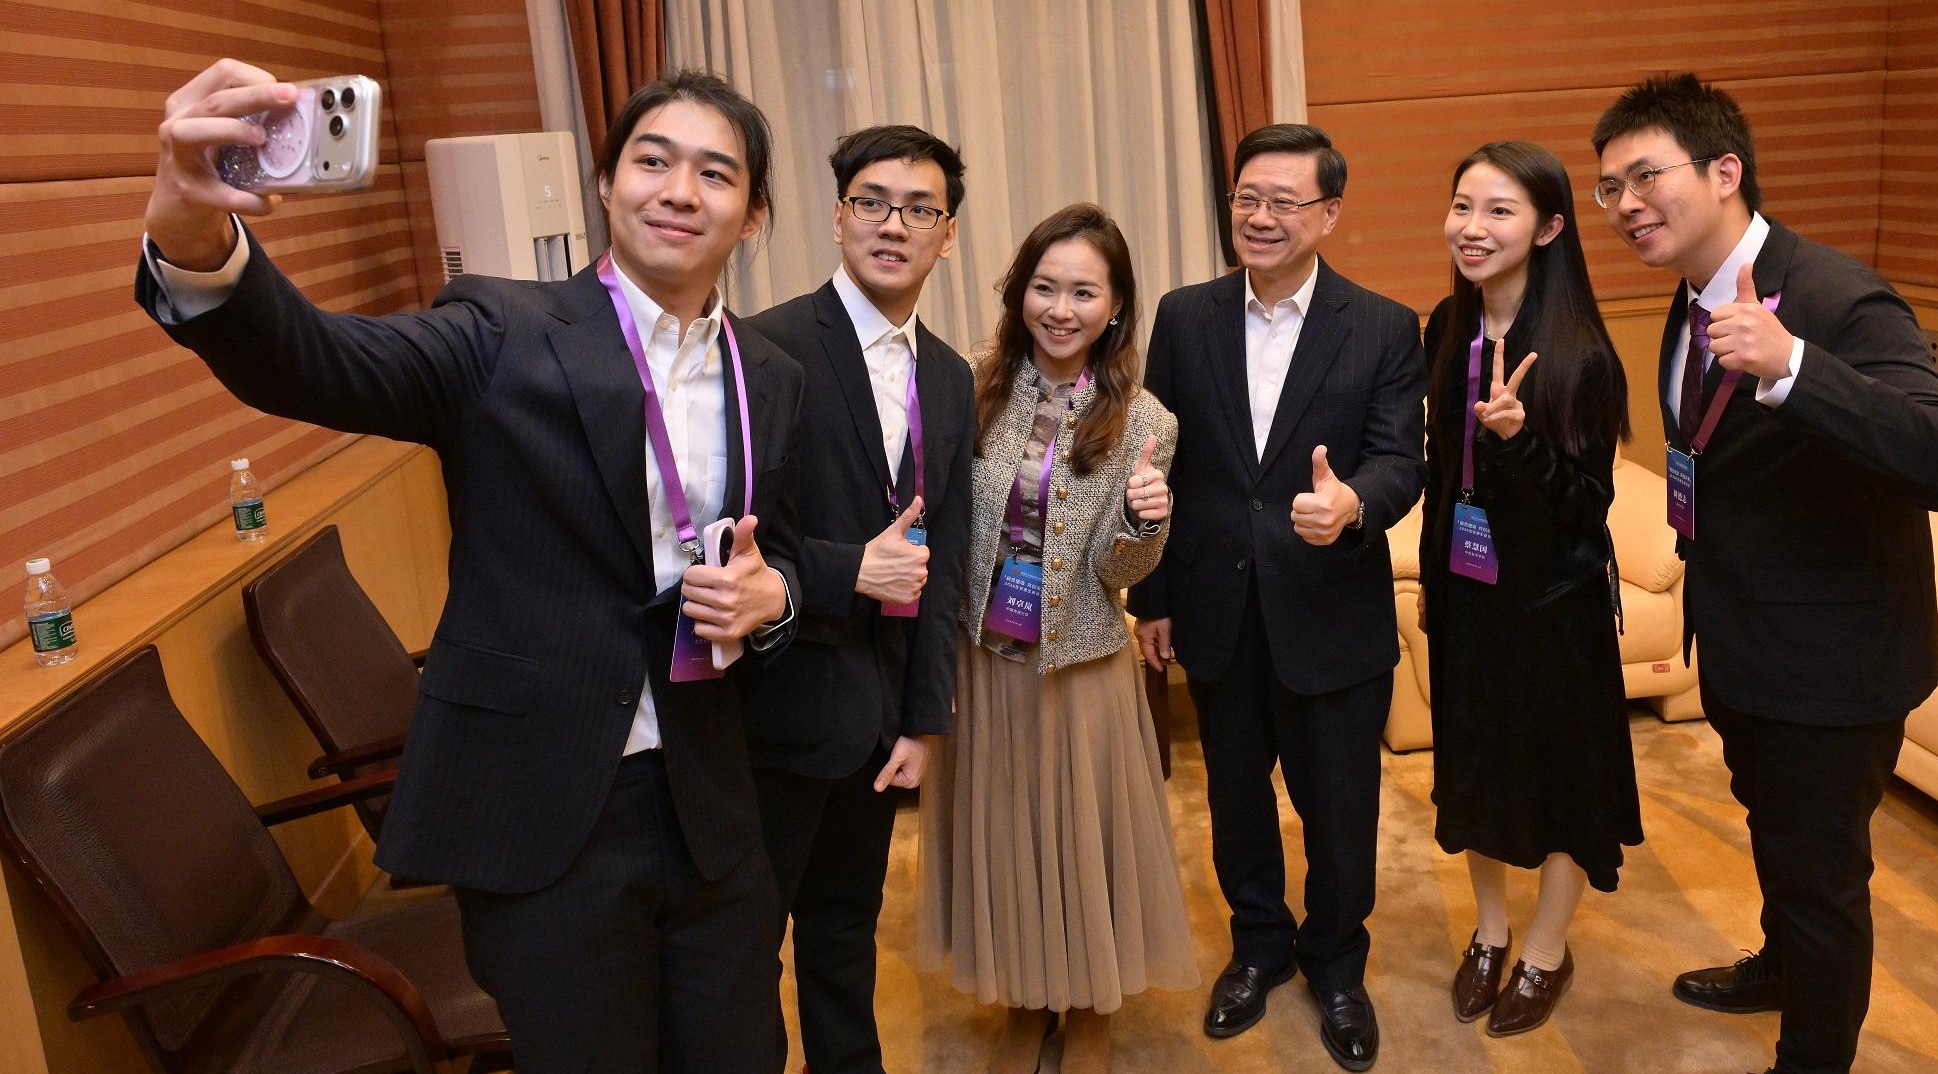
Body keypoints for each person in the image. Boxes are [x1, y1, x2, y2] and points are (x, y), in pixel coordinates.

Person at [137, 60, 808, 1073]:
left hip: (711, 803)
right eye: (652, 161)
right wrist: (197, 237)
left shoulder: (771, 377)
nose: (679, 190)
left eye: (715, 173)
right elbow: (314, 360)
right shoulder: (501, 331)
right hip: (545, 813)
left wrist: (776, 593)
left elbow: (781, 550)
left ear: (752, 215)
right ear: (606, 183)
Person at [1592, 73, 1938, 1074]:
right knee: (1776, 839)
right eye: (1609, 187)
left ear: (1725, 170)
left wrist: (1799, 368)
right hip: (1742, 646)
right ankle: (1780, 965)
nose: (1625, 204)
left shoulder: (1834, 296)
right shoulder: (1690, 299)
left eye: (1646, 176)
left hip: (1834, 665)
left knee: (1822, 884)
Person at [1129, 124, 1426, 1073]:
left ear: (1329, 213)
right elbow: (1157, 464)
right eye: (1246, 198)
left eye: (1284, 202)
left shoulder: (1382, 325)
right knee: (1236, 803)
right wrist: (1155, 597)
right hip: (1216, 609)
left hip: (1331, 610)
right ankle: (1258, 946)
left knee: (1340, 813)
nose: (1260, 217)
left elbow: (1400, 462)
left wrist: (1354, 505)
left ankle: (1337, 965)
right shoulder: (1185, 316)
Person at [915, 203, 1194, 1074]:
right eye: (1045, 287)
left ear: (1115, 308)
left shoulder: (1146, 422)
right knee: (1006, 835)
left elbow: (1117, 572)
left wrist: (1146, 523)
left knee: (1082, 844)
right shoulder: (972, 390)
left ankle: (1089, 1010)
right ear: (1019, 293)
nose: (1060, 309)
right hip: (986, 663)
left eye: (1083, 292)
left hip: (1080, 669)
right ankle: (1026, 1000)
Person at [741, 125, 974, 1074]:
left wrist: (924, 719)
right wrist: (849, 572)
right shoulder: (766, 347)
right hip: (770, 711)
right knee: (743, 949)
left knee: (845, 932)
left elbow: (943, 561)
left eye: (920, 209)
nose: (893, 225)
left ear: (947, 237)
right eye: (872, 202)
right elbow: (725, 538)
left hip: (877, 720)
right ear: (838, 219)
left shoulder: (950, 376)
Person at [1417, 140, 1643, 1038]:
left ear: (1549, 229)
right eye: (1462, 206)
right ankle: (1490, 932)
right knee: (1475, 772)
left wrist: (1517, 443)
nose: (1472, 228)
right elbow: (1441, 473)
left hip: (1554, 612)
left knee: (1561, 787)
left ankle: (1547, 949)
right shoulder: (1447, 327)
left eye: (1498, 211)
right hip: (1469, 598)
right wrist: (1435, 575)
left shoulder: (1582, 354)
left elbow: (1588, 508)